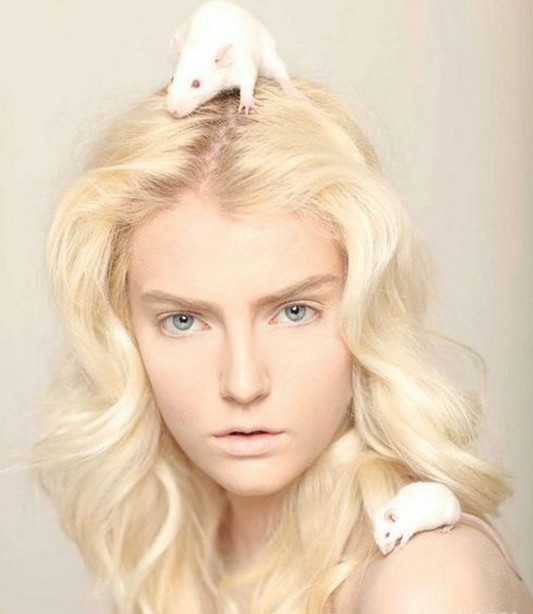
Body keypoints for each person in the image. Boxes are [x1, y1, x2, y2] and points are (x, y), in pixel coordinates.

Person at [27, 76, 533, 613]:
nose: (243, 383)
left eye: (295, 311)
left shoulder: (426, 584)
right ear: (123, 331)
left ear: (367, 311)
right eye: (183, 320)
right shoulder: (184, 550)